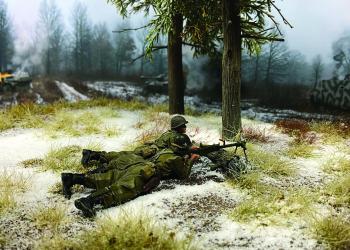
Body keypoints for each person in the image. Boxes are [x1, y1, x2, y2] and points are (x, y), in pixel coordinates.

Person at [61, 115, 200, 217]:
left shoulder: (164, 148)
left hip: (138, 161)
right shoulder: (174, 157)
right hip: (144, 169)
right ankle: (89, 201)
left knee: (108, 176)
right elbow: (183, 174)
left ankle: (73, 178)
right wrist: (191, 159)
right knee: (124, 187)